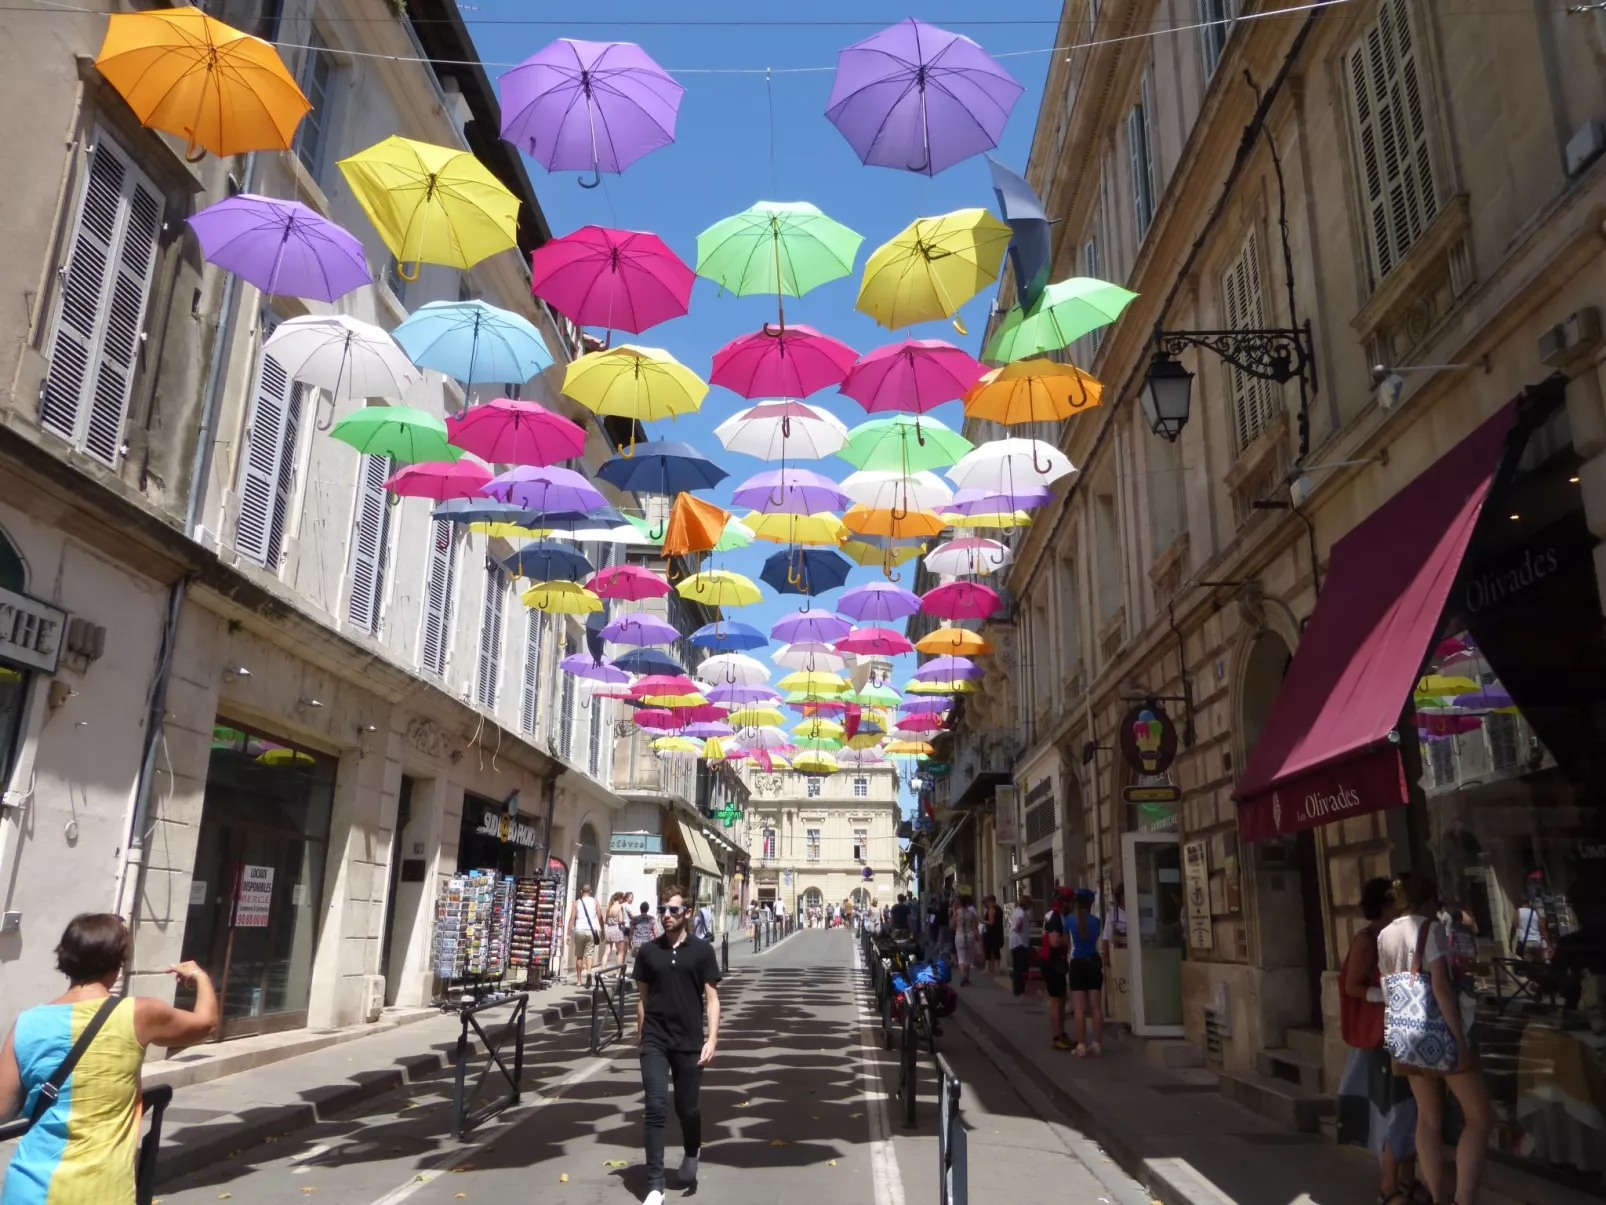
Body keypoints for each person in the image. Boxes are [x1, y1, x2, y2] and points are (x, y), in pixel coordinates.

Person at [0, 913, 219, 1205]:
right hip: (100, 1190)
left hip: (28, 1188)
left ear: (65, 960)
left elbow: (2, 1109)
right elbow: (206, 1023)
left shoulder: (26, 1023)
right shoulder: (139, 1014)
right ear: (117, 963)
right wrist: (199, 976)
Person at [1379, 873, 1492, 1205]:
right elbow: (1440, 988)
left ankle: (1438, 1197)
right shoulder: (1431, 930)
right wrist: (1459, 1040)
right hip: (1438, 1032)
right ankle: (1463, 1199)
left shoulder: (1385, 934)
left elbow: (1388, 988)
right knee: (1480, 1117)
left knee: (1427, 1118)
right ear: (1427, 901)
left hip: (1406, 1035)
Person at [634, 886, 722, 1205]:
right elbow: (642, 999)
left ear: (687, 913)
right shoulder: (648, 952)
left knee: (687, 1108)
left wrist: (712, 1039)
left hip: (689, 1041)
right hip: (655, 1039)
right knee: (655, 1106)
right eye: (663, 909)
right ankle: (655, 1185)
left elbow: (712, 999)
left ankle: (691, 1153)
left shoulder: (702, 951)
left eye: (673, 910)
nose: (667, 915)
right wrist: (642, 1036)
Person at [1338, 878, 1420, 1205]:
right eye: (1394, 903)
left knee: (1411, 1106)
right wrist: (1386, 995)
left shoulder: (1397, 934)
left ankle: (1408, 1179)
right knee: (1396, 1107)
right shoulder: (1367, 939)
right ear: (1384, 906)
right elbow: (1351, 986)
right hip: (1383, 1036)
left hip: (1405, 1030)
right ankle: (1388, 1186)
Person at [1067, 888, 1104, 1056]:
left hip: (1077, 963)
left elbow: (1067, 942)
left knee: (1079, 1008)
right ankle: (1097, 1044)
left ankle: (1081, 1045)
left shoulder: (1069, 920)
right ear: (1090, 903)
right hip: (1093, 962)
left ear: (1076, 903)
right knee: (1096, 1007)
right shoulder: (1096, 922)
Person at [1042, 888, 1073, 1049]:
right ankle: (1057, 1037)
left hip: (1055, 962)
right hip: (1052, 962)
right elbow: (1054, 942)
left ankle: (1061, 1033)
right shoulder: (1055, 917)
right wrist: (1067, 938)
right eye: (1070, 901)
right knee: (1056, 1001)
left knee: (1061, 1000)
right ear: (1064, 902)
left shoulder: (1055, 915)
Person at [569, 884, 603, 986]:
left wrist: (568, 934)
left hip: (579, 930)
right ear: (590, 891)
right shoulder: (595, 902)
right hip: (591, 931)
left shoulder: (576, 903)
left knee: (579, 956)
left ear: (581, 891)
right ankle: (588, 972)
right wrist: (603, 930)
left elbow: (572, 919)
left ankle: (579, 981)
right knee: (589, 954)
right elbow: (600, 917)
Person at [1009, 892, 1033, 997]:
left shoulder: (1016, 911)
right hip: (1020, 942)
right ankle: (1020, 990)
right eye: (1029, 903)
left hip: (1015, 942)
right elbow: (1019, 922)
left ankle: (1017, 989)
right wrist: (1019, 929)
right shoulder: (1022, 913)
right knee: (1021, 967)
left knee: (1017, 966)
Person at [953, 894, 980, 986]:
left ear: (960, 903)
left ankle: (964, 974)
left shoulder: (957, 913)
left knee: (961, 958)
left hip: (959, 936)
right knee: (968, 958)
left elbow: (952, 925)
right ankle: (967, 977)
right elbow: (975, 926)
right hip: (970, 936)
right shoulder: (971, 914)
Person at [601, 891, 627, 973]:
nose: (623, 900)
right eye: (622, 898)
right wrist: (624, 922)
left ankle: (602, 972)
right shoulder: (619, 907)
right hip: (617, 930)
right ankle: (618, 973)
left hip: (609, 929)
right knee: (620, 952)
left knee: (606, 952)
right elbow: (620, 920)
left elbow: (605, 921)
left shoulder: (609, 907)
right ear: (619, 898)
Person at [981, 895, 1004, 976]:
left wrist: (983, 921)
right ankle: (997, 968)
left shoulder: (991, 908)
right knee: (996, 950)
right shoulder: (999, 908)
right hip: (998, 932)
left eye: (987, 901)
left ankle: (987, 968)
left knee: (988, 950)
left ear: (990, 901)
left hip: (990, 933)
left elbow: (991, 922)